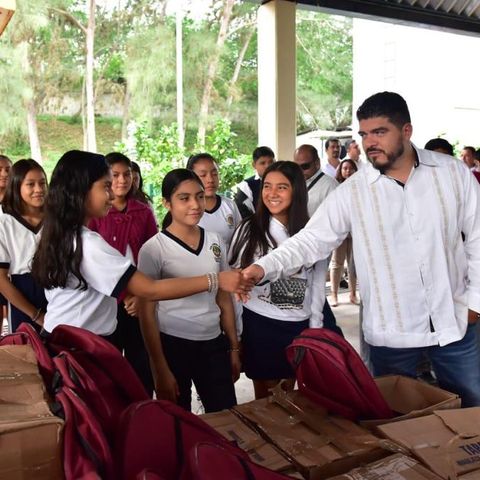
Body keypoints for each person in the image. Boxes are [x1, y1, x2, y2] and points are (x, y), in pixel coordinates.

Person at [242, 92, 480, 407]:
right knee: (395, 421)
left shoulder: (452, 174)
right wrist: (262, 268)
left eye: (380, 132)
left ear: (406, 131)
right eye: (364, 134)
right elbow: (311, 239)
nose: (369, 143)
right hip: (391, 333)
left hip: (455, 323)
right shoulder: (353, 191)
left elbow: (477, 238)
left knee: (471, 409)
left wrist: (476, 301)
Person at [31, 150, 251, 340]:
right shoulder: (88, 244)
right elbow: (150, 289)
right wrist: (216, 279)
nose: (111, 194)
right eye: (106, 186)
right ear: (80, 190)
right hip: (80, 345)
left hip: (62, 335)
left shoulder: (57, 233)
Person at [138, 169, 240, 412]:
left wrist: (234, 347)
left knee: (226, 416)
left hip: (213, 342)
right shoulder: (154, 249)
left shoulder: (215, 240)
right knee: (177, 419)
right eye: (184, 198)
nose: (195, 204)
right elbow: (147, 312)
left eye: (199, 196)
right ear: (167, 203)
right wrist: (159, 368)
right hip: (173, 344)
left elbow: (224, 297)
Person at [229, 161, 326, 400]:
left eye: (281, 187)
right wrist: (237, 336)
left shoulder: (312, 232)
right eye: (267, 186)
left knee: (290, 393)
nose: (272, 194)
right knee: (267, 398)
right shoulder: (249, 229)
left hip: (297, 323)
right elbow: (236, 288)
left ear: (297, 191)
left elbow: (316, 283)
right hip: (261, 324)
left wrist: (315, 328)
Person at [89, 152, 158, 393]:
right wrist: (123, 295)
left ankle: (144, 412)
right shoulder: (96, 213)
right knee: (110, 360)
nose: (122, 180)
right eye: (115, 175)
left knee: (141, 360)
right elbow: (93, 265)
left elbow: (152, 255)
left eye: (127, 174)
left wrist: (140, 296)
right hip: (106, 299)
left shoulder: (143, 211)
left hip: (139, 298)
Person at [0, 159, 48, 332]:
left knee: (62, 355)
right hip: (23, 295)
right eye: (30, 184)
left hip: (59, 291)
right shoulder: (4, 222)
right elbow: (1, 279)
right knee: (26, 354)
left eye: (42, 183)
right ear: (16, 186)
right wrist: (36, 315)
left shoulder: (55, 218)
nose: (39, 189)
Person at [186, 153, 241, 247]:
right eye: (203, 175)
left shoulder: (229, 205)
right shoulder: (185, 210)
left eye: (214, 174)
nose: (210, 179)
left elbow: (241, 240)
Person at [330, 159, 358, 307]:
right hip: (340, 230)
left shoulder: (360, 186)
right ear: (340, 171)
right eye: (345, 168)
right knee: (337, 263)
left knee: (354, 264)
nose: (348, 171)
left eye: (351, 168)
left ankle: (353, 294)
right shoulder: (335, 187)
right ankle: (334, 295)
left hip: (355, 231)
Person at [293, 144, 338, 217]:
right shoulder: (296, 183)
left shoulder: (331, 186)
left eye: (305, 166)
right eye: (296, 167)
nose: (300, 171)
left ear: (317, 163)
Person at [234, 146, 275, 218]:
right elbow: (243, 213)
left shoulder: (282, 182)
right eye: (262, 163)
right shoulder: (246, 186)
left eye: (270, 162)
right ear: (254, 165)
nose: (267, 166)